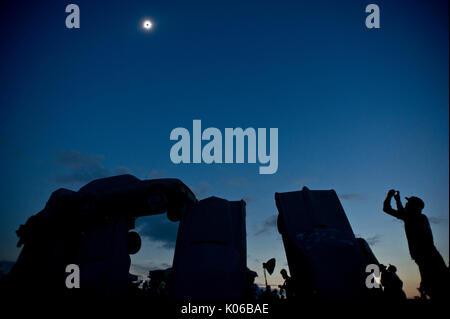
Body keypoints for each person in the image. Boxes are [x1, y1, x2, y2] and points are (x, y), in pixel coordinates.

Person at [383, 189, 448, 300]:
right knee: (440, 282)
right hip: (432, 254)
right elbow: (403, 212)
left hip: (425, 256)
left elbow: (387, 209)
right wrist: (398, 200)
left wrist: (390, 196)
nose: (406, 204)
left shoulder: (411, 217)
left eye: (409, 203)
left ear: (414, 207)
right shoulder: (422, 217)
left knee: (433, 286)